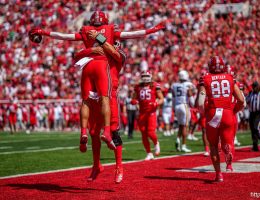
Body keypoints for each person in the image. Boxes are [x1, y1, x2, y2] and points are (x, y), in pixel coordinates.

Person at [29, 10, 165, 152]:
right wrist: (151, 30)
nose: (116, 45)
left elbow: (71, 42)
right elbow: (130, 36)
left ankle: (88, 136)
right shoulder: (110, 35)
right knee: (103, 127)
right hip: (103, 81)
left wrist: (45, 32)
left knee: (92, 109)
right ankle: (100, 141)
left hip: (92, 72)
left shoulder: (108, 45)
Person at [74, 34, 127, 183]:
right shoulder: (97, 54)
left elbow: (116, 54)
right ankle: (96, 165)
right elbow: (77, 56)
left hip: (111, 97)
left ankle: (119, 167)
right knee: (93, 132)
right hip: (96, 96)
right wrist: (93, 49)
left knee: (114, 132)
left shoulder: (119, 55)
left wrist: (101, 42)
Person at [197, 56, 244, 182]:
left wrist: (204, 113)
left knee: (213, 145)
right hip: (228, 113)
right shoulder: (230, 78)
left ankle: (218, 174)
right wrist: (233, 110)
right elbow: (241, 100)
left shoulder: (205, 78)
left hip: (213, 113)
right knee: (228, 142)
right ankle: (227, 155)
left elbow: (201, 102)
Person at [132, 71, 164, 160]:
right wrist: (134, 101)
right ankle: (149, 153)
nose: (145, 78)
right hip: (142, 112)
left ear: (150, 76)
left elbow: (161, 99)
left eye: (147, 76)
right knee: (143, 133)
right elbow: (134, 99)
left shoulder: (154, 85)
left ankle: (156, 142)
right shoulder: (138, 87)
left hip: (151, 112)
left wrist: (156, 103)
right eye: (144, 76)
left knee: (150, 132)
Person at [171, 70, 194, 152]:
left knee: (181, 125)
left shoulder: (174, 85)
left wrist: (173, 108)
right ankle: (183, 145)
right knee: (185, 126)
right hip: (184, 105)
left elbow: (173, 98)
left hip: (177, 105)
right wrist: (193, 104)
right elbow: (190, 96)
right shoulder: (189, 84)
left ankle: (177, 139)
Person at [246, 81, 260, 151]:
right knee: (253, 129)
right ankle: (255, 146)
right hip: (252, 113)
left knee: (256, 128)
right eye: (253, 86)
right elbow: (246, 101)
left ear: (258, 87)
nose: (254, 88)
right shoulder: (251, 93)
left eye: (255, 86)